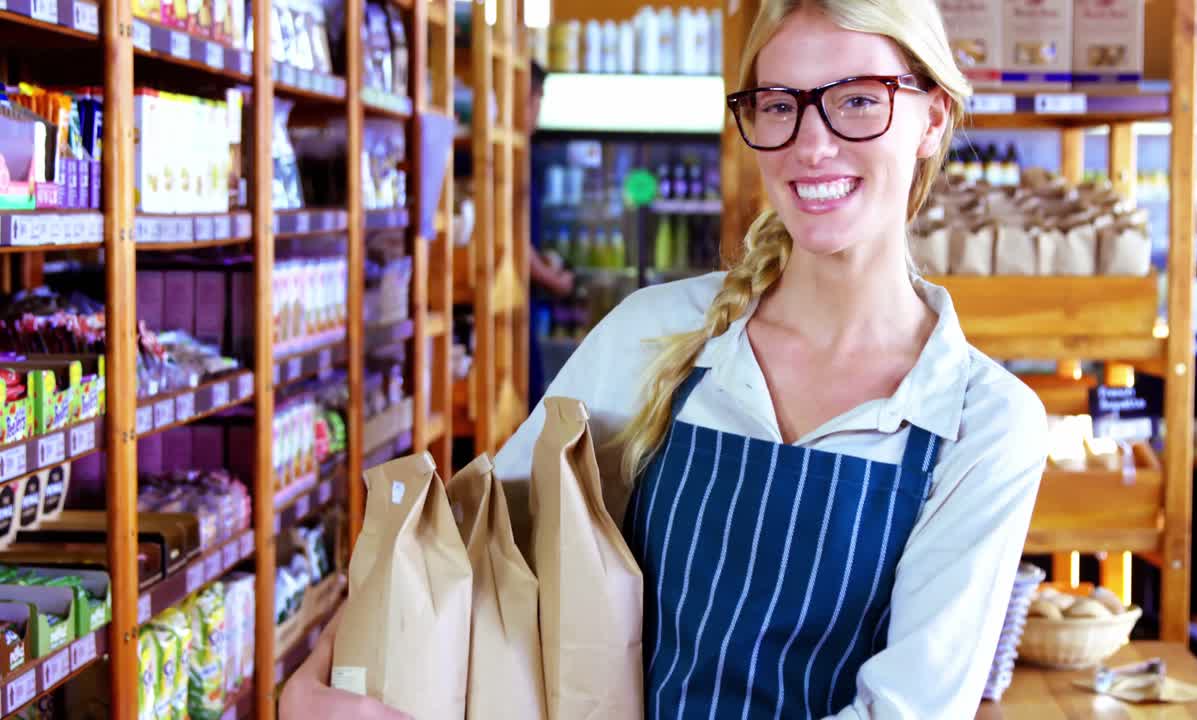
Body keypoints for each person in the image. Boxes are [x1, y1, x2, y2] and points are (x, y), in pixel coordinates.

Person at [281, 1, 1048, 717]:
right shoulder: (659, 334)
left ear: (931, 115)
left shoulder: (981, 423)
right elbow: (474, 536)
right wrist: (329, 669)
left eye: (857, 100)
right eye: (779, 104)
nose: (812, 144)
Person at [527, 61, 576, 409]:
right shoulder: (505, 154)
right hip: (514, 300)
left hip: (521, 300)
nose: (538, 109)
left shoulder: (518, 152)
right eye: (538, 97)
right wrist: (552, 278)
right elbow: (510, 242)